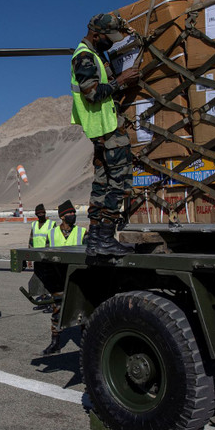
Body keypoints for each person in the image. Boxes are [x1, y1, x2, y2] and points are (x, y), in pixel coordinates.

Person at [71, 13, 139, 256]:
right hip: (107, 129)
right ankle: (106, 238)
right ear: (96, 35)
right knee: (117, 183)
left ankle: (96, 240)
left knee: (101, 184)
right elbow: (91, 93)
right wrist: (121, 80)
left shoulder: (95, 53)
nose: (111, 43)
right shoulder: (85, 57)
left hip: (103, 128)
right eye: (108, 38)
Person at [43, 200, 88, 355]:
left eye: (74, 213)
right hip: (59, 279)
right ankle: (55, 342)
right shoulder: (52, 233)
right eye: (69, 213)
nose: (73, 215)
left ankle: (86, 344)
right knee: (57, 310)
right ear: (62, 216)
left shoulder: (82, 232)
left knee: (83, 312)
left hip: (79, 279)